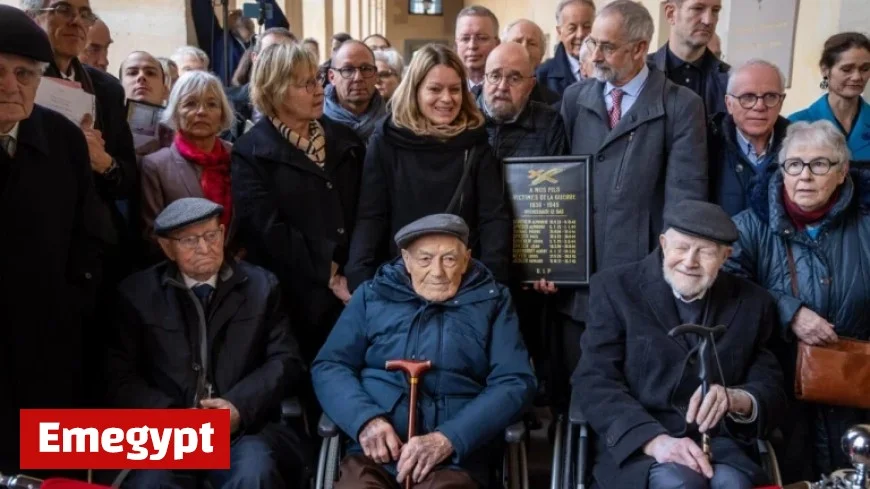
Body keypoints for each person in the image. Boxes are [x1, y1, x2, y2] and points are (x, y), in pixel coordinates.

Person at [557, 0, 708, 408]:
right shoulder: (574, 99)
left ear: (640, 49)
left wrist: (670, 275)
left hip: (642, 279)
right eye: (593, 44)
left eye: (608, 47)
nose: (596, 56)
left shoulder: (681, 106)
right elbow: (559, 185)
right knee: (583, 393)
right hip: (580, 280)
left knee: (636, 393)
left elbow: (685, 201)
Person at [312, 214, 536, 489]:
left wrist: (449, 438)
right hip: (375, 454)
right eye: (425, 259)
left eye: (450, 259)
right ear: (406, 260)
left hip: (455, 458)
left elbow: (514, 381)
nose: (438, 271)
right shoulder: (371, 296)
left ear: (466, 259)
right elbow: (330, 365)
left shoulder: (493, 301)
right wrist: (365, 420)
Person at [574, 199, 786, 489]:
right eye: (682, 247)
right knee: (680, 483)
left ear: (726, 256)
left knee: (733, 484)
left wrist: (737, 398)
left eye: (706, 252)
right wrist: (654, 441)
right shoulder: (616, 289)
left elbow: (770, 384)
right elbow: (594, 380)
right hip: (641, 445)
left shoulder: (753, 303)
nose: (690, 261)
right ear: (663, 243)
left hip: (721, 447)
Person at [108, 198, 310, 489]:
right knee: (150, 483)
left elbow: (285, 359)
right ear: (167, 247)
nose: (204, 248)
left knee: (255, 474)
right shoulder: (136, 295)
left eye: (211, 235)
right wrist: (172, 416)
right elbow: (117, 378)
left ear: (224, 232)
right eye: (189, 240)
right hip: (167, 434)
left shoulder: (262, 286)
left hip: (243, 430)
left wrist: (238, 406)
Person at [725, 120, 870, 481]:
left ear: (842, 172)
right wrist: (789, 312)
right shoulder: (748, 226)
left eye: (820, 164)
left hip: (857, 381)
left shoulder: (866, 224)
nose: (805, 175)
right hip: (780, 381)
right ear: (782, 170)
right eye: (794, 164)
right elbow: (729, 291)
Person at [0, 5, 110, 475]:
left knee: (45, 473)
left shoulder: (62, 139)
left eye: (24, 74)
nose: (11, 86)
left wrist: (72, 304)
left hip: (48, 342)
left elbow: (91, 235)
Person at [231, 42, 365, 362]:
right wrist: (329, 272)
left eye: (317, 79)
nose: (318, 89)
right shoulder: (250, 151)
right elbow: (267, 229)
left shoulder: (346, 140)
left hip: (354, 285)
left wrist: (355, 270)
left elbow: (368, 210)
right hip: (295, 296)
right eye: (305, 83)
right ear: (274, 89)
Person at [345, 43, 511, 291]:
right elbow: (372, 216)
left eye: (455, 89)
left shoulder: (475, 143)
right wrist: (360, 277)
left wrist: (492, 281)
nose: (447, 98)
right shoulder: (387, 140)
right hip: (401, 280)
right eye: (435, 89)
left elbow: (493, 218)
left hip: (463, 281)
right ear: (415, 91)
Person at [140, 71, 235, 262]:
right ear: (175, 112)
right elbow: (152, 234)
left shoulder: (237, 156)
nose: (201, 111)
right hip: (181, 273)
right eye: (190, 103)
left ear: (222, 113)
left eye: (211, 104)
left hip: (239, 270)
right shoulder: (156, 165)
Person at [708, 59, 790, 216]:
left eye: (770, 96)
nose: (759, 106)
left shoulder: (798, 147)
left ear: (781, 102)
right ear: (729, 104)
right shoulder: (706, 143)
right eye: (747, 97)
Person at [789, 32, 870, 162]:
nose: (857, 77)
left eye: (865, 69)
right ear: (825, 70)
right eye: (847, 69)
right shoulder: (798, 123)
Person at [479, 42, 568, 159]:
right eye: (495, 76)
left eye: (514, 79)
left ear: (530, 86)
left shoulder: (550, 123)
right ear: (484, 80)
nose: (502, 87)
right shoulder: (467, 120)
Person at [649, 0, 729, 117]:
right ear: (671, 14)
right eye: (698, 8)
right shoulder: (639, 74)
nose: (708, 20)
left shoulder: (730, 81)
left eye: (715, 10)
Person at [190, 0, 289, 84]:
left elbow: (279, 24)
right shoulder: (218, 41)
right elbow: (201, 9)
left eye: (244, 13)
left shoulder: (261, 44)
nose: (241, 15)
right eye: (235, 14)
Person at [226, 27, 296, 124]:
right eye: (270, 53)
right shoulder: (228, 102)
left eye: (286, 55)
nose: (278, 61)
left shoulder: (306, 106)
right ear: (255, 58)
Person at [325, 40, 386, 141]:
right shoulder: (315, 125)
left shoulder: (393, 124)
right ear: (332, 77)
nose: (358, 78)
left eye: (366, 69)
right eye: (348, 70)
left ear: (375, 75)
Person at [536, 0, 595, 97]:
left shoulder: (611, 68)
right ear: (559, 32)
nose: (580, 34)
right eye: (572, 28)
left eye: (587, 27)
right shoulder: (542, 76)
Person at [119, 51, 172, 158]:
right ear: (118, 87)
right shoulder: (104, 130)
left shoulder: (180, 135)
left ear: (165, 90)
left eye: (150, 73)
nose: (141, 77)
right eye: (133, 73)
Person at [502, 18, 561, 105]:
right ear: (502, 49)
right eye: (517, 41)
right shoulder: (486, 93)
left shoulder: (553, 103)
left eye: (532, 43)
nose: (524, 48)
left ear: (542, 53)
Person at [455, 5, 501, 96]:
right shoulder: (444, 88)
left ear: (497, 44)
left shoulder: (510, 88)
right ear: (456, 44)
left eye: (482, 38)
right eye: (465, 39)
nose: (472, 46)